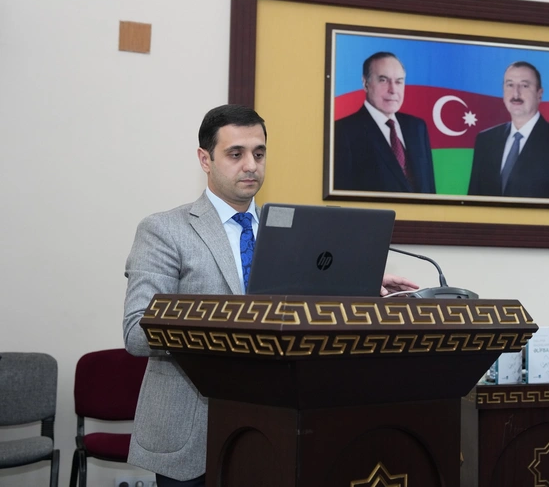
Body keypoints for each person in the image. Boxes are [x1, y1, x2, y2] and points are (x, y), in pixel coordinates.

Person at [122, 104, 418, 487]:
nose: (251, 165)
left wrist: (357, 288)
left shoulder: (295, 235)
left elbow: (303, 317)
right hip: (191, 431)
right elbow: (137, 331)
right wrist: (235, 323)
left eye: (259, 154)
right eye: (236, 154)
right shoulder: (164, 230)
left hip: (275, 427)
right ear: (205, 159)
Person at [334, 51, 436, 193]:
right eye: (383, 80)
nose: (393, 90)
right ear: (365, 83)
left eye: (398, 81)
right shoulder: (343, 131)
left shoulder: (417, 127)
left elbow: (430, 191)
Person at [467, 61, 549, 199]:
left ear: (539, 94)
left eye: (524, 85)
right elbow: (474, 200)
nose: (516, 93)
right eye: (510, 85)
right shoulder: (485, 140)